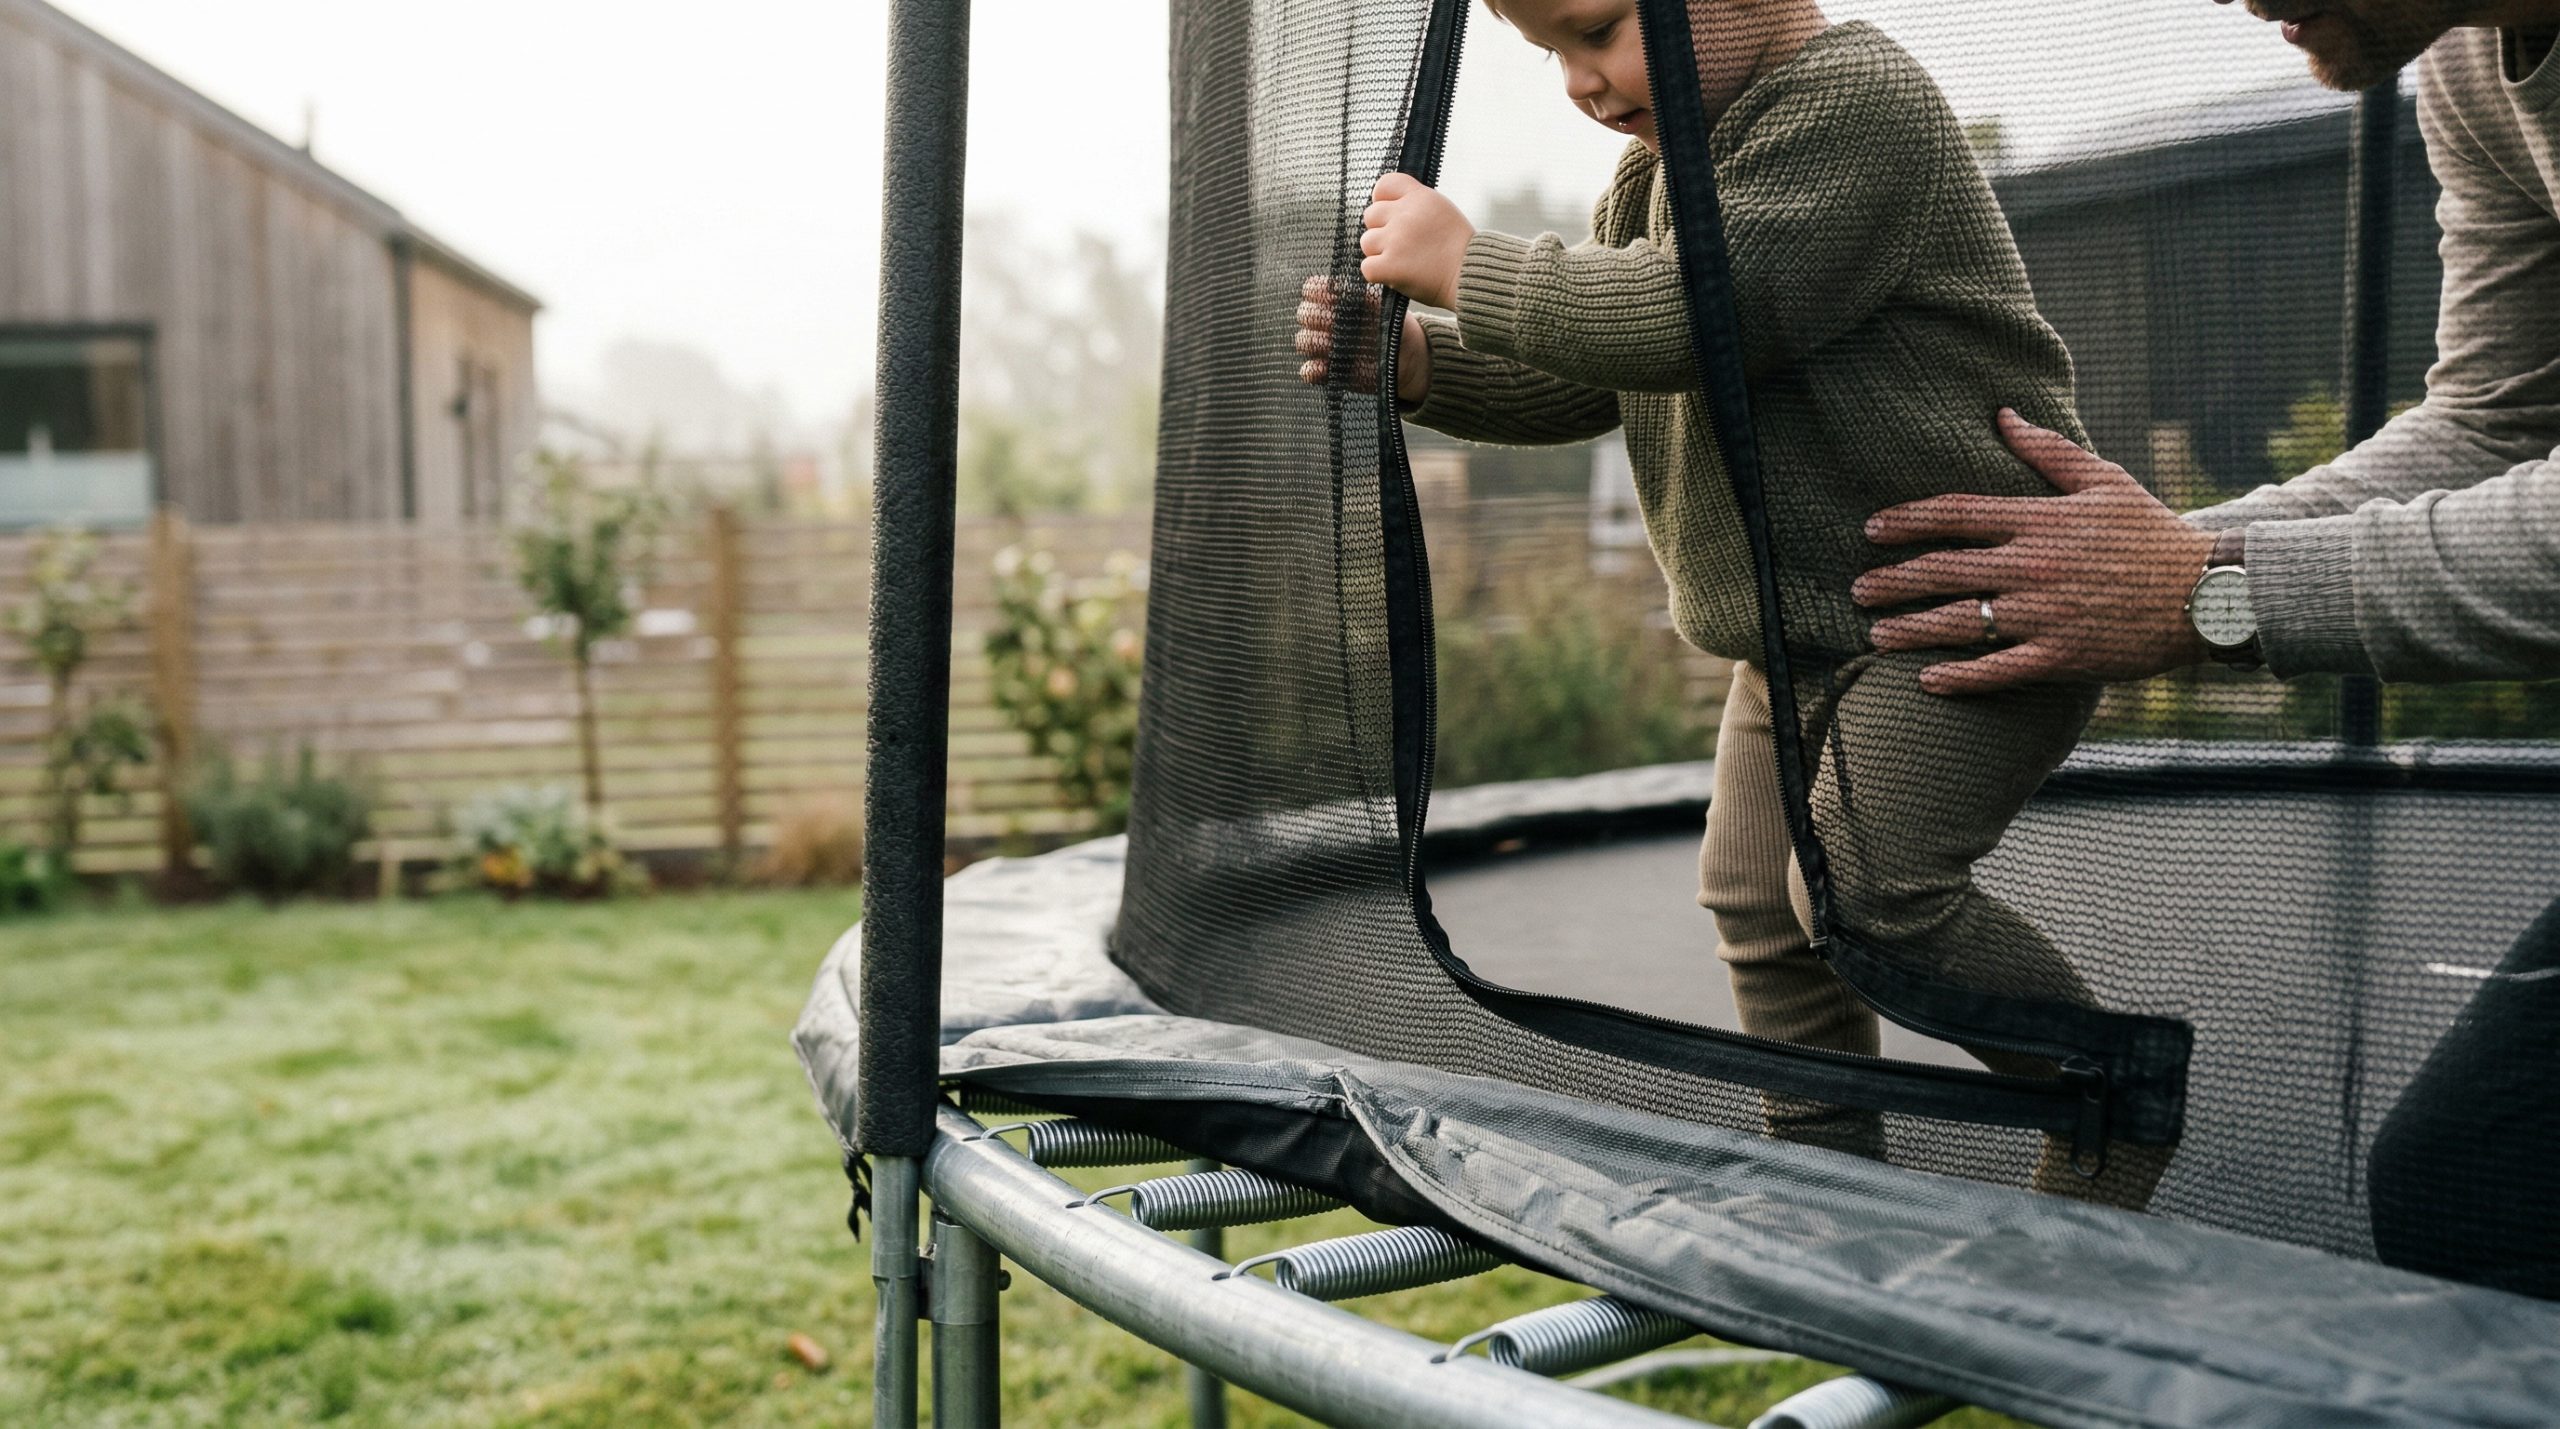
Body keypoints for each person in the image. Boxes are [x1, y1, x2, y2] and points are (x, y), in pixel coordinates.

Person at [1296, 0, 2167, 1204]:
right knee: (1758, 905)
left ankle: (2105, 1087)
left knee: (1866, 894)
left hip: (1978, 602)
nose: (1579, 81)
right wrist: (1424, 369)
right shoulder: (1652, 178)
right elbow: (1613, 373)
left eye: (1597, 29)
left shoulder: (1853, 105)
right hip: (1793, 636)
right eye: (1549, 54)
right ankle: (1821, 1187)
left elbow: (1695, 312)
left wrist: (1466, 265)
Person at [1850, 1, 2560, 1296]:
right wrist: (2152, 561)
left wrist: (2207, 592)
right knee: (2475, 1189)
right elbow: (2498, 419)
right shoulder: (2475, 62)